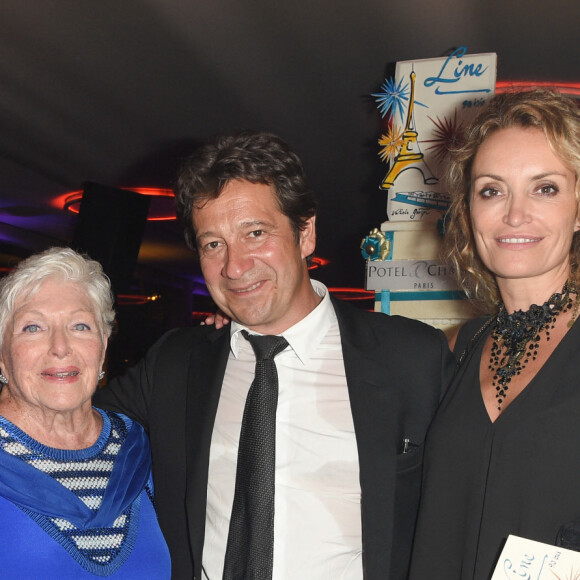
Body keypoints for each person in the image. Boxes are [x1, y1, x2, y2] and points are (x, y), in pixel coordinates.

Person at [94, 130, 454, 579]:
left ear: (305, 234)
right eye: (213, 244)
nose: (234, 266)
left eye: (256, 233)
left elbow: (465, 506)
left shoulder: (412, 358)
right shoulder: (177, 361)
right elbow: (66, 426)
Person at [408, 89, 580, 579]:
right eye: (491, 189)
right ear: (468, 210)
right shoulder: (453, 351)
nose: (514, 214)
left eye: (545, 188)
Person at [0, 247, 171, 579]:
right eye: (33, 327)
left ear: (103, 345)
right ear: (2, 354)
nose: (60, 347)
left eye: (80, 326)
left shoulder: (139, 451)